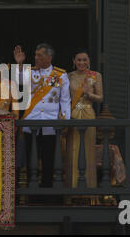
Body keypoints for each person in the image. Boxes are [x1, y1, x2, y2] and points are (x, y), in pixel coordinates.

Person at [14, 44, 71, 190]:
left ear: (49, 57)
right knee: (30, 159)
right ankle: (31, 193)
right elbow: (19, 80)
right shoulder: (30, 72)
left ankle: (46, 192)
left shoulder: (60, 75)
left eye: (40, 55)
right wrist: (19, 64)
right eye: (36, 55)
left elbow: (65, 100)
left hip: (50, 124)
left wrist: (64, 120)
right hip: (31, 122)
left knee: (48, 160)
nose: (36, 58)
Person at [65, 49, 103, 189]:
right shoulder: (68, 76)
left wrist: (88, 94)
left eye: (84, 60)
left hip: (88, 112)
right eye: (79, 60)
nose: (82, 62)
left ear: (89, 61)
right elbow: (64, 98)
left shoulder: (95, 76)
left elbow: (100, 98)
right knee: (72, 150)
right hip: (73, 113)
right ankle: (71, 188)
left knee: (87, 150)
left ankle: (89, 189)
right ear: (74, 61)